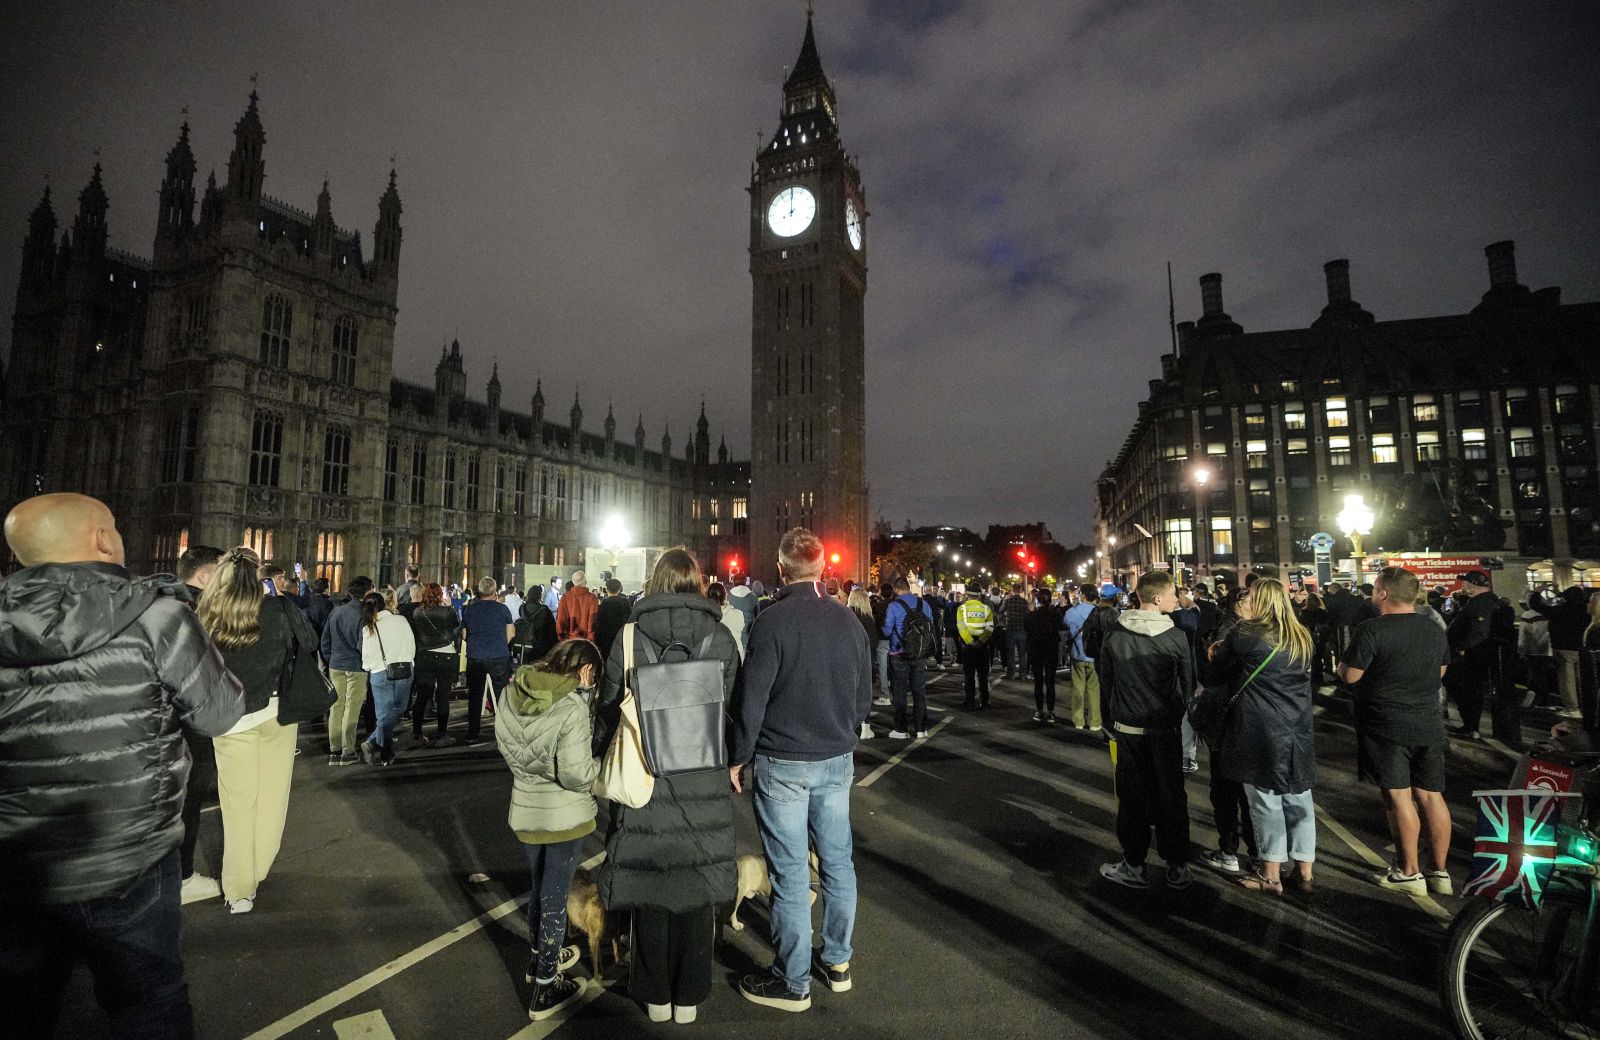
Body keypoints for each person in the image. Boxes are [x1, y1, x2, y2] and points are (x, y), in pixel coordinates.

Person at [0, 495, 244, 1039]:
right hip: (128, 854)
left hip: (17, 860)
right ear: (103, 540)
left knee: (20, 1006)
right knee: (147, 1002)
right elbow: (220, 713)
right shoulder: (156, 615)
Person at [596, 549, 739, 1025]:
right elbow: (733, 707)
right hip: (704, 771)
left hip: (646, 771)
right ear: (697, 583)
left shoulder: (630, 635)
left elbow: (609, 703)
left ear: (654, 581)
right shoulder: (720, 635)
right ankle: (690, 994)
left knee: (649, 885)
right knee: (697, 885)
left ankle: (655, 993)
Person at [730, 528, 871, 1012]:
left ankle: (793, 983)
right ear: (822, 568)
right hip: (836, 759)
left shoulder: (772, 622)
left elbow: (753, 699)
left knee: (789, 873)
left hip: (784, 761)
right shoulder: (849, 622)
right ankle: (837, 962)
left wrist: (740, 755)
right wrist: (843, 731)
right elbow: (863, 698)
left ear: (782, 568)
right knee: (837, 863)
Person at [194, 549, 318, 913]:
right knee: (273, 798)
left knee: (238, 804)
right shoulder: (278, 609)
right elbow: (308, 643)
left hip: (232, 719)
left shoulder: (207, 615)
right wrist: (281, 603)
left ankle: (239, 890)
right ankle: (258, 868)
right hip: (277, 713)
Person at [496, 638, 600, 1021]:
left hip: (525, 808)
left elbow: (506, 745)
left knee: (540, 889)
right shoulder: (571, 708)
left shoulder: (512, 691)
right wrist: (600, 768)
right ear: (585, 672)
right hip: (563, 816)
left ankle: (540, 955)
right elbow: (576, 773)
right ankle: (545, 986)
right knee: (556, 898)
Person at [1338, 566, 1453, 895]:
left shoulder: (1371, 629)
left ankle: (1409, 871)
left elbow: (1350, 676)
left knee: (1399, 799)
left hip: (1386, 723)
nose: (1373, 593)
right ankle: (1439, 872)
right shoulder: (1433, 629)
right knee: (1432, 797)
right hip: (1428, 721)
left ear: (1384, 593)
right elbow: (1441, 670)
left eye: (1375, 588)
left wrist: (1341, 667)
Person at [1204, 579, 1317, 896]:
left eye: (1251, 596)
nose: (1247, 600)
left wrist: (1215, 653)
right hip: (1297, 727)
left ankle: (1270, 875)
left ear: (1262, 601)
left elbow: (1213, 676)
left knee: (1265, 802)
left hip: (1259, 728)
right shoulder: (1301, 636)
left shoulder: (1246, 634)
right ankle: (1305, 871)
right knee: (1298, 799)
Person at [1098, 570, 1196, 891]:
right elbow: (1187, 685)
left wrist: (1111, 720)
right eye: (1172, 594)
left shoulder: (1115, 634)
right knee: (1171, 797)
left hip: (1128, 729)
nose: (1176, 599)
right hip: (1165, 729)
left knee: (1132, 798)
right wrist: (1174, 714)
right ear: (1157, 599)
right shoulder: (1176, 637)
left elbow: (1106, 681)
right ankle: (1177, 865)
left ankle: (1135, 864)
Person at [174, 545, 227, 904]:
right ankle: (181, 877)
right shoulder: (196, 612)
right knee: (187, 802)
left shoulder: (163, 604)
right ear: (205, 577)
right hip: (188, 726)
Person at [321, 574, 375, 765]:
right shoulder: (365, 614)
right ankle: (348, 750)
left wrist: (331, 659)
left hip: (336, 664)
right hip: (355, 666)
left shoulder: (336, 611)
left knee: (336, 706)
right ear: (367, 592)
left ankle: (334, 749)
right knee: (352, 708)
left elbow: (325, 640)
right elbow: (363, 646)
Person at [360, 588, 416, 766]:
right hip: (403, 669)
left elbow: (366, 658)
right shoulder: (401, 620)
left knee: (384, 716)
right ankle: (384, 751)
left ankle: (375, 745)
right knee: (398, 711)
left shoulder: (368, 627)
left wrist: (370, 668)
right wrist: (409, 660)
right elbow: (411, 644)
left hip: (379, 673)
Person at [1444, 570, 1499, 740]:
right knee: (1467, 690)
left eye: (1465, 582)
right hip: (1470, 656)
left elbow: (1480, 631)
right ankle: (1469, 724)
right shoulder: (1480, 601)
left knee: (1467, 689)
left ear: (1471, 584)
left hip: (1469, 658)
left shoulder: (1481, 603)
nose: (1462, 585)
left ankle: (1470, 725)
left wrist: (1463, 647)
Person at [462, 577, 516, 745]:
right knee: (501, 694)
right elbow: (511, 633)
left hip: (476, 655)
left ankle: (473, 731)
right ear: (495, 592)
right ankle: (505, 731)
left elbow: (464, 635)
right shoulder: (503, 609)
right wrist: (500, 644)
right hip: (498, 654)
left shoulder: (470, 610)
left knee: (475, 695)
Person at [408, 583, 459, 749]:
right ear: (440, 595)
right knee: (443, 695)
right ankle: (442, 734)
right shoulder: (447, 612)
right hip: (446, 656)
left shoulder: (417, 612)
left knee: (422, 695)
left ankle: (417, 733)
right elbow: (455, 627)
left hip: (425, 655)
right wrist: (449, 606)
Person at [882, 576, 934, 739]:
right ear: (908, 587)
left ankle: (901, 728)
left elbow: (887, 630)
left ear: (897, 590)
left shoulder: (894, 606)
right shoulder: (923, 604)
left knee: (900, 691)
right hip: (919, 652)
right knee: (919, 690)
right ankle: (920, 728)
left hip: (899, 653)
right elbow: (930, 624)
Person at [1538, 586, 1590, 720]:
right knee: (1583, 680)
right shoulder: (1587, 610)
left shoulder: (1559, 611)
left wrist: (1537, 592)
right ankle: (1587, 706)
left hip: (1563, 648)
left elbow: (1537, 605)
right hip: (1583, 649)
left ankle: (1572, 708)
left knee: (1566, 680)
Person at [1024, 587, 1060, 723]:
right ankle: (1051, 712)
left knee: (1038, 682)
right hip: (1051, 650)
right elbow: (1060, 627)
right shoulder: (1055, 614)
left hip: (1036, 650)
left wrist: (1031, 611)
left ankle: (1039, 711)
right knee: (1050, 682)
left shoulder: (1031, 615)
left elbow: (1026, 627)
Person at [956, 584, 995, 708]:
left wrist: (969, 641)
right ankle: (985, 701)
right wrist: (981, 641)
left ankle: (970, 701)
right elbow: (990, 627)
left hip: (968, 646)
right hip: (982, 646)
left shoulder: (962, 609)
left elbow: (961, 627)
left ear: (967, 595)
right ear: (979, 595)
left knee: (969, 675)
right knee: (983, 675)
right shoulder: (986, 609)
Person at [514, 586, 560, 666]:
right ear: (540, 595)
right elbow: (552, 631)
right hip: (541, 648)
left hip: (525, 646)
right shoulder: (544, 610)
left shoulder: (522, 608)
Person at [594, 577, 634, 663]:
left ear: (607, 589)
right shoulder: (625, 604)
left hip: (605, 639)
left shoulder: (603, 605)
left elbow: (598, 623)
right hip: (622, 638)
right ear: (619, 589)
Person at [707, 580, 746, 660]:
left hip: (712, 661)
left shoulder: (703, 616)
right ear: (725, 596)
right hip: (735, 659)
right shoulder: (738, 615)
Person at [556, 571, 599, 642]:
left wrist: (562, 638)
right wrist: (591, 640)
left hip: (569, 639)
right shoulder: (592, 598)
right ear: (585, 581)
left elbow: (560, 620)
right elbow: (592, 620)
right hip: (586, 640)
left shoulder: (565, 597)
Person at [1000, 582, 1030, 681]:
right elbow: (1027, 615)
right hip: (1022, 630)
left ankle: (1011, 674)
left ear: (1012, 590)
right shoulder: (1024, 602)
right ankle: (1023, 674)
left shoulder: (1008, 601)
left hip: (1010, 629)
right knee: (1022, 654)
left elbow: (1001, 611)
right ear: (1020, 590)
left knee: (1010, 653)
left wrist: (1003, 622)